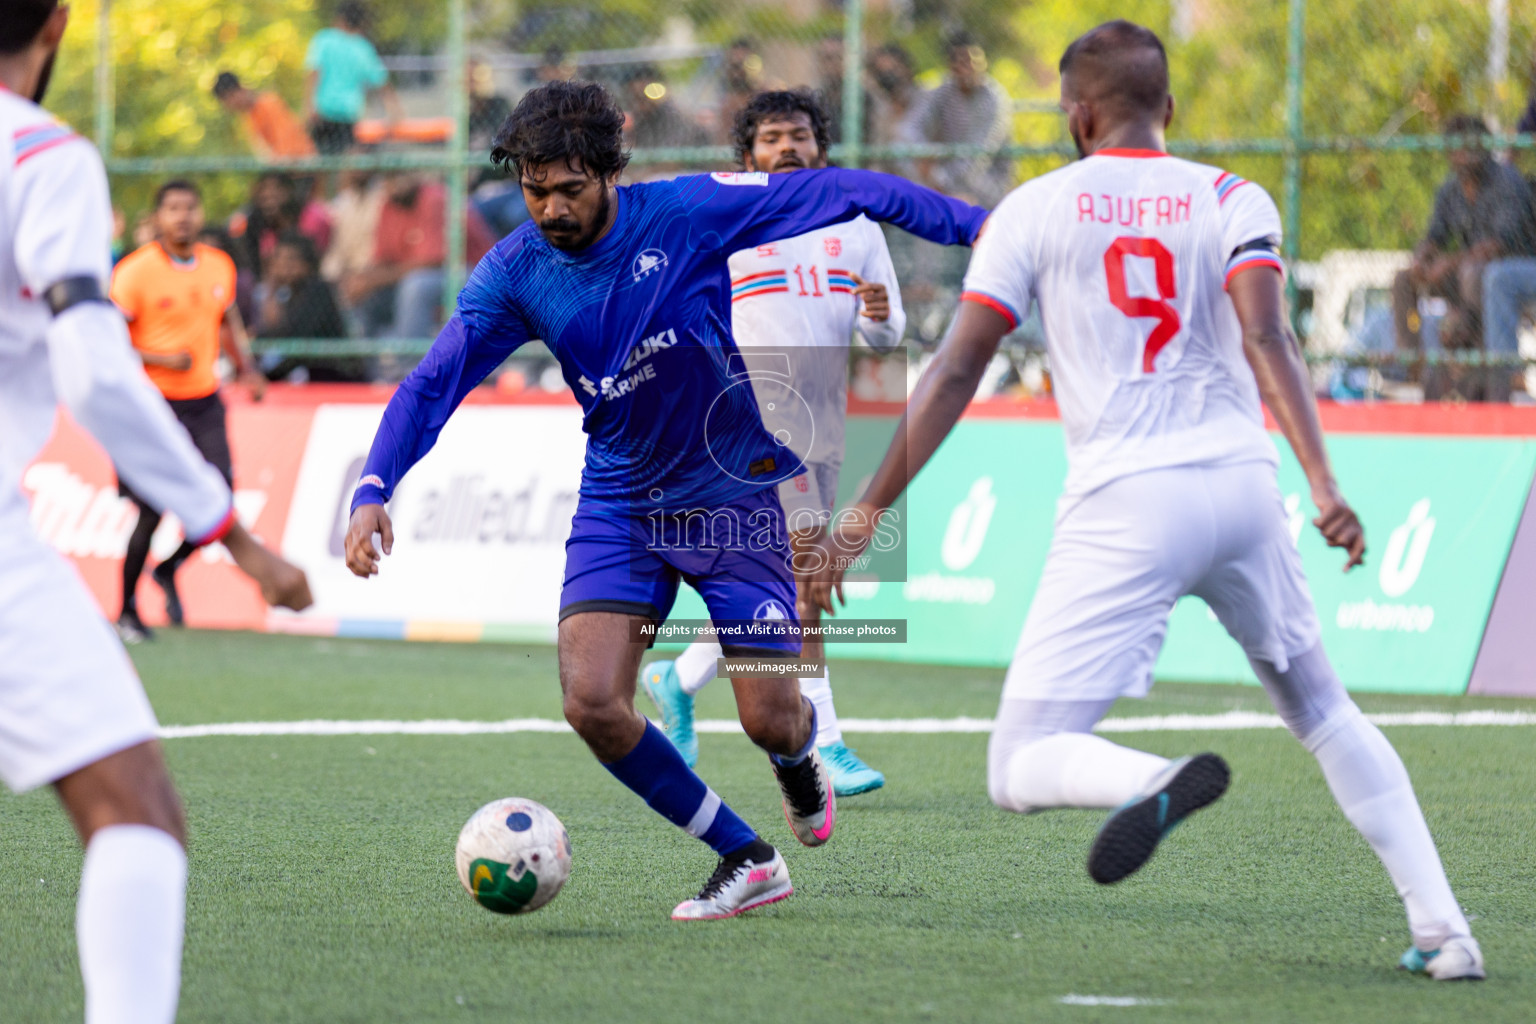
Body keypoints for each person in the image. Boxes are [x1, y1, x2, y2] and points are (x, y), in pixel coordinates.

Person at [812, 20, 1484, 981]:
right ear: (1167, 108)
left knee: (1019, 765)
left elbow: (960, 365)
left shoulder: (1033, 210)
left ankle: (1155, 779)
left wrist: (865, 516)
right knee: (1327, 710)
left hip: (1129, 501)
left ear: (1076, 116)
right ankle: (1446, 930)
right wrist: (1325, 483)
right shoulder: (1230, 195)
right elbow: (1269, 338)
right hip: (1246, 489)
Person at [342, 80, 985, 919]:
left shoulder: (685, 213)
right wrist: (373, 485)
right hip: (620, 499)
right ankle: (747, 858)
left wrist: (989, 232)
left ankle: (798, 761)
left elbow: (846, 191)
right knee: (592, 703)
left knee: (772, 721)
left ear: (610, 173)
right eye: (535, 191)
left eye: (568, 189)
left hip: (733, 495)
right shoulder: (518, 270)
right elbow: (435, 382)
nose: (549, 209)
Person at [0, 5, 311, 1022]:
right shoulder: (42, 155)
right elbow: (95, 375)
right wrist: (235, 534)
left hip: (201, 397)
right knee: (135, 817)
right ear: (52, 26)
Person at [641, 90, 901, 797]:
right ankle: (829, 744)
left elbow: (887, 331)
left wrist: (878, 318)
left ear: (822, 146)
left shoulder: (856, 224)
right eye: (770, 139)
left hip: (822, 427)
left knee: (778, 588)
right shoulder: (729, 221)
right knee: (804, 578)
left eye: (799, 135)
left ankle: (678, 676)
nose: (786, 148)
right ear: (747, 155)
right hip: (743, 427)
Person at [110, 179, 270, 641]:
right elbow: (109, 340)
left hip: (203, 401)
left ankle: (170, 567)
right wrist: (160, 360)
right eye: (173, 208)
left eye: (190, 208)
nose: (182, 216)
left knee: (220, 499)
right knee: (151, 509)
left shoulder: (218, 266)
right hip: (153, 404)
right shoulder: (135, 272)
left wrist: (248, 368)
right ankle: (126, 611)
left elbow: (227, 320)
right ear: (158, 218)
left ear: (200, 215)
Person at [1391, 114, 1536, 401]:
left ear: (1482, 147)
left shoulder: (1507, 182)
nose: (1463, 156)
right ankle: (1413, 364)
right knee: (1403, 279)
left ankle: (1501, 374)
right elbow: (1435, 235)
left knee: (1477, 272)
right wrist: (1423, 257)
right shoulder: (1450, 189)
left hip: (1507, 270)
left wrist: (1449, 263)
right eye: (1457, 148)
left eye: (1470, 147)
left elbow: (1500, 245)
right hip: (1465, 274)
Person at [344, 171, 494, 339]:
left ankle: (409, 361)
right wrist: (363, 279)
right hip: (421, 273)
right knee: (355, 286)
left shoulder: (433, 198)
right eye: (390, 179)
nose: (397, 184)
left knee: (416, 286)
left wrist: (375, 280)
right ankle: (361, 360)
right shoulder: (389, 205)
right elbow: (383, 259)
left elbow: (433, 261)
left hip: (474, 273)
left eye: (401, 175)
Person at [911, 32, 1014, 207]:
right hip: (946, 180)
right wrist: (926, 156)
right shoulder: (943, 92)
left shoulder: (993, 98)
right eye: (962, 62)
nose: (970, 67)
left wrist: (940, 178)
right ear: (951, 66)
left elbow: (979, 154)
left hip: (986, 181)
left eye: (975, 60)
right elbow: (913, 127)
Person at [302, 1, 403, 154]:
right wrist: (394, 111)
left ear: (339, 19)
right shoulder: (362, 48)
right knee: (345, 161)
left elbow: (314, 73)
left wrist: (309, 105)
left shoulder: (324, 40)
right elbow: (382, 82)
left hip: (322, 110)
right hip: (346, 113)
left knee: (318, 162)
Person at [229, 170, 332, 278]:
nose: (267, 195)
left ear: (289, 191)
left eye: (276, 189)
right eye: (263, 190)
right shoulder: (258, 225)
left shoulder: (312, 217)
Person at [211, 71, 317, 161]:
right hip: (282, 168)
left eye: (228, 101)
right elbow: (262, 151)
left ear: (234, 93)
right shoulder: (248, 116)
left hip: (300, 164)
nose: (229, 107)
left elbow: (287, 144)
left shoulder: (268, 103)